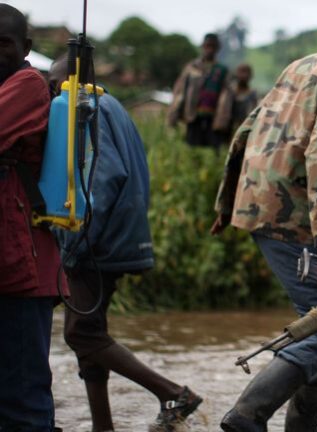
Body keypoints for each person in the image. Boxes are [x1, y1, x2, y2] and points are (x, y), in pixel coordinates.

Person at [211, 5, 317, 431]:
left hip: (261, 204)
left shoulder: (301, 66)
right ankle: (247, 416)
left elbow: (249, 128)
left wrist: (227, 201)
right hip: (291, 214)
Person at [48, 58, 202, 431]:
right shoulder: (112, 106)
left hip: (97, 243)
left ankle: (173, 393)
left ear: (72, 81)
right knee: (91, 333)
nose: (50, 91)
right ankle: (104, 425)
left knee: (80, 333)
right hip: (117, 237)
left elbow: (101, 180)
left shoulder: (85, 111)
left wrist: (74, 245)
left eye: (54, 83)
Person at [0, 4, 69, 430]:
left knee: (22, 399)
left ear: (25, 47)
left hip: (23, 267)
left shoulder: (27, 84)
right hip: (9, 264)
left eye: (3, 43)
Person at [167, 33, 230, 150]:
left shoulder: (222, 70)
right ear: (203, 46)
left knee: (213, 152)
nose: (210, 49)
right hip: (193, 117)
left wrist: (222, 121)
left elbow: (226, 98)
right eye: (207, 46)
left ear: (217, 49)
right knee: (191, 150)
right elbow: (179, 93)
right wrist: (173, 116)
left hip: (213, 120)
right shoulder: (191, 68)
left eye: (213, 46)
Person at [216, 63, 260, 142]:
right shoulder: (229, 91)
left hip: (245, 128)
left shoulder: (253, 94)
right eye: (242, 72)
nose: (244, 75)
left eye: (247, 72)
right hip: (228, 128)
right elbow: (222, 110)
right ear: (237, 74)